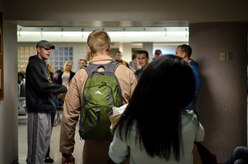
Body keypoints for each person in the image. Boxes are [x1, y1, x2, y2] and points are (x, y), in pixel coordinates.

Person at [59, 30, 138, 164]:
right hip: (121, 144)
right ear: (109, 47)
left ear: (89, 49)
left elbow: (69, 116)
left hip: (92, 145)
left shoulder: (80, 75)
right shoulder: (127, 73)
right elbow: (139, 110)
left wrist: (67, 151)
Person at [109, 55, 205, 164]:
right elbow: (200, 136)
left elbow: (115, 156)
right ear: (186, 89)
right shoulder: (191, 119)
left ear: (145, 84)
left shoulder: (128, 123)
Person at [25, 40, 67, 164]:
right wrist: (63, 88)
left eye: (50, 49)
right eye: (46, 48)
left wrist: (59, 88)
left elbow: (49, 84)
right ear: (38, 49)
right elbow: (42, 86)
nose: (49, 51)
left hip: (46, 108)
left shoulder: (43, 64)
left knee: (43, 145)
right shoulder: (33, 64)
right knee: (36, 146)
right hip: (38, 109)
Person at [176, 44, 201, 111]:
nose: (175, 56)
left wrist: (187, 103)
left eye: (177, 53)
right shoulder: (185, 67)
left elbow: (196, 88)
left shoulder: (193, 68)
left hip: (187, 106)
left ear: (183, 54)